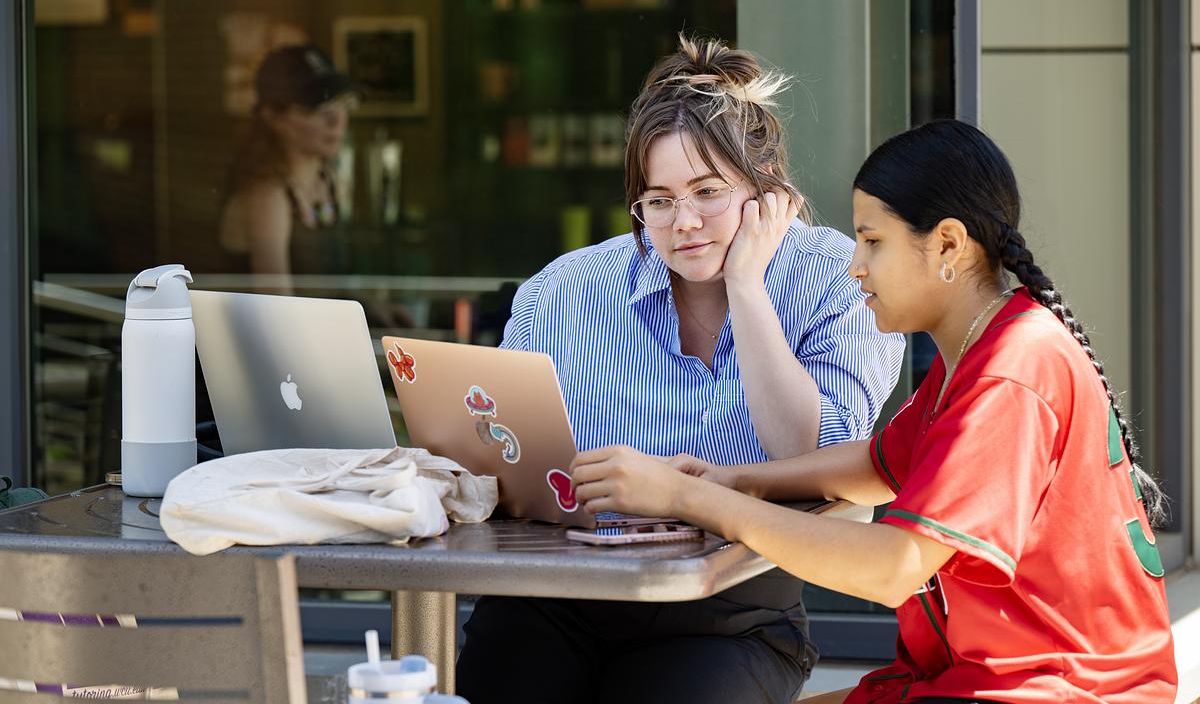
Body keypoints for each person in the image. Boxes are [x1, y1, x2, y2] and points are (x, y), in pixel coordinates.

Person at [571, 119, 1178, 703]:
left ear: (946, 244)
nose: (856, 266)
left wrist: (688, 500)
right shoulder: (986, 345)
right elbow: (878, 462)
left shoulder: (1011, 369)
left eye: (873, 241)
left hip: (1049, 689)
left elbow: (894, 568)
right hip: (979, 679)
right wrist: (734, 478)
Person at [455, 36, 905, 704]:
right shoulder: (564, 290)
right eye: (658, 201)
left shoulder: (835, 281)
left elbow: (812, 457)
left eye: (707, 192)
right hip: (557, 599)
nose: (683, 223)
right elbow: (500, 457)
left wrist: (748, 287)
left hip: (730, 614)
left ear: (765, 188)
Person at [218, 44, 356, 293]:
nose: (336, 121)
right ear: (272, 116)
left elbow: (331, 284)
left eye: (341, 104)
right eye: (316, 108)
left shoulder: (328, 183)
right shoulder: (268, 197)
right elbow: (280, 308)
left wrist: (372, 306)